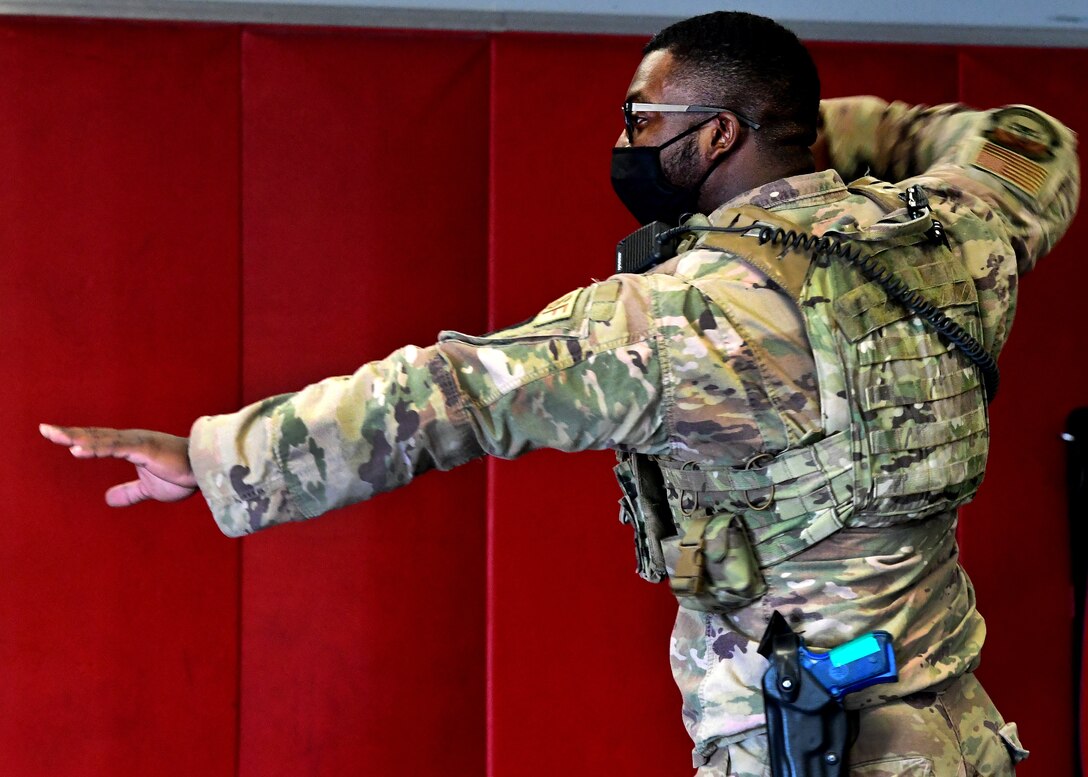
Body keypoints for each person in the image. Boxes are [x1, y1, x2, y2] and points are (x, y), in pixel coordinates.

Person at [40, 10, 1079, 777]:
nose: (625, 142)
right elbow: (1030, 144)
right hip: (956, 733)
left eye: (642, 119)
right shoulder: (957, 237)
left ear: (717, 135)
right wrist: (820, 140)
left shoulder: (682, 318)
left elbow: (445, 392)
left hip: (804, 747)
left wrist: (218, 458)